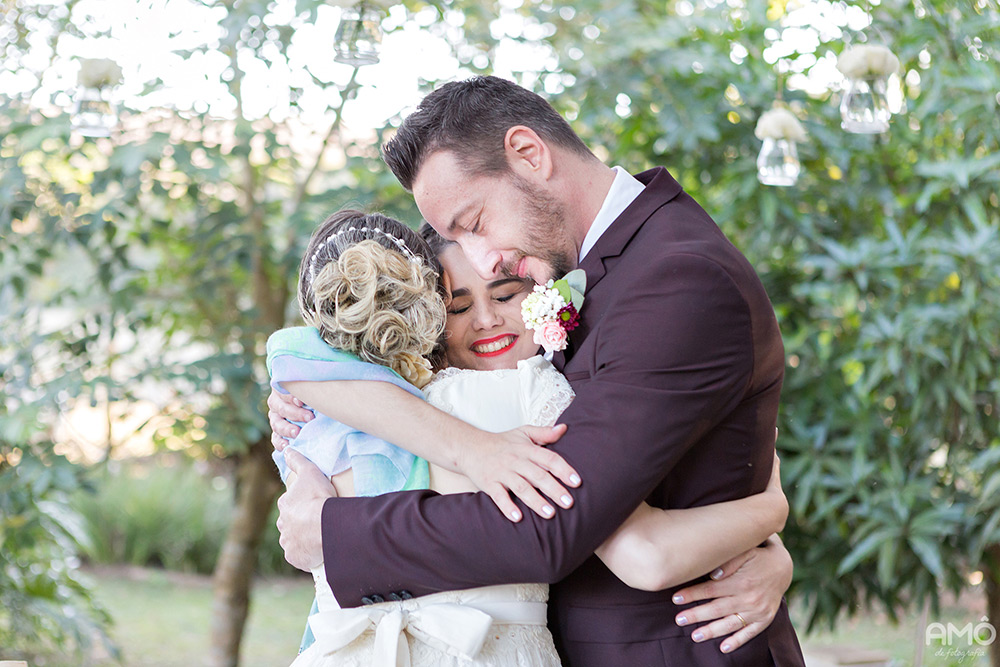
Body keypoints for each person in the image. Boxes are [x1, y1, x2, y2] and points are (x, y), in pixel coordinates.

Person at [273, 76, 806, 666]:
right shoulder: (574, 268)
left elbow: (553, 523)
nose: (482, 260)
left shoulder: (677, 278)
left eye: (473, 223)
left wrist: (336, 533)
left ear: (529, 154)